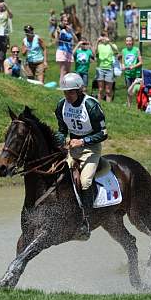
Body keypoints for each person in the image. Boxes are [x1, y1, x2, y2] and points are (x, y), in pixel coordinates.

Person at [54, 72, 108, 239]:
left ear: (79, 90)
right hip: (72, 148)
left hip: (91, 148)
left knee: (84, 182)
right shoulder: (61, 106)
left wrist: (83, 141)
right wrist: (60, 140)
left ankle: (86, 220)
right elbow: (62, 130)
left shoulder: (91, 106)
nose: (67, 95)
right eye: (65, 92)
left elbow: (103, 133)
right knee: (58, 176)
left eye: (70, 92)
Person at [95, 30, 118, 102]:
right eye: (102, 36)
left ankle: (108, 105)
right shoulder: (99, 46)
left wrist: (109, 42)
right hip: (100, 68)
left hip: (109, 69)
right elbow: (94, 52)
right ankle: (100, 104)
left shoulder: (111, 45)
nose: (104, 38)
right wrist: (97, 41)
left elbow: (116, 50)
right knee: (101, 89)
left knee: (108, 90)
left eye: (105, 36)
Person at [120, 36, 142, 108]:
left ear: (132, 42)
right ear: (125, 42)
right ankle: (129, 107)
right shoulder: (123, 51)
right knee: (129, 90)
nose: (128, 42)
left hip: (136, 74)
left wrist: (134, 66)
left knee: (137, 90)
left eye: (130, 41)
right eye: (127, 41)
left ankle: (138, 106)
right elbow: (123, 62)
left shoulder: (136, 50)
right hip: (128, 74)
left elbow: (141, 62)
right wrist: (123, 66)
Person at [55, 13, 78, 83]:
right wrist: (58, 33)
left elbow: (76, 40)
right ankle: (62, 87)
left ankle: (67, 87)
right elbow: (56, 42)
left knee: (68, 72)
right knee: (63, 71)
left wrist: (71, 31)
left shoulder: (69, 31)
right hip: (62, 52)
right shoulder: (59, 30)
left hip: (69, 52)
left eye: (67, 21)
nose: (66, 22)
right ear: (61, 21)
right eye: (64, 21)